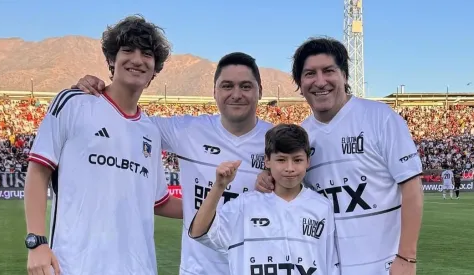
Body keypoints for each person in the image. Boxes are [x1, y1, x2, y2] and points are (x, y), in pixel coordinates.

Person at [72, 52, 274, 275]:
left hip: (256, 268)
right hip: (197, 271)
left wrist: (275, 179)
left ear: (260, 91)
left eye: (246, 86)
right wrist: (99, 94)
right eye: (227, 86)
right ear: (214, 91)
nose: (236, 94)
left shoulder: (277, 140)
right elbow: (128, 122)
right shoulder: (187, 130)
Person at [24, 15, 182, 275]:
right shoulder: (74, 103)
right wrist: (36, 242)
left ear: (156, 68)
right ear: (111, 59)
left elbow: (159, 202)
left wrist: (218, 205)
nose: (137, 59)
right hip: (73, 265)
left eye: (147, 54)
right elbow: (38, 172)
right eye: (127, 50)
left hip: (139, 268)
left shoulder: (150, 131)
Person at [256, 37, 424, 275]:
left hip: (383, 266)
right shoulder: (303, 136)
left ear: (344, 76)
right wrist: (268, 177)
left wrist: (407, 258)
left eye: (329, 71)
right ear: (300, 83)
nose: (320, 81)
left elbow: (411, 186)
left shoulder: (380, 118)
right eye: (310, 74)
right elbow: (294, 193)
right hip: (326, 267)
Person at [188, 124, 340, 275]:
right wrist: (219, 186)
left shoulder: (322, 207)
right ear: (267, 161)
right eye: (281, 160)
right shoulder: (245, 205)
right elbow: (199, 232)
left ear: (308, 161)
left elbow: (329, 265)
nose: (289, 168)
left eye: (297, 160)